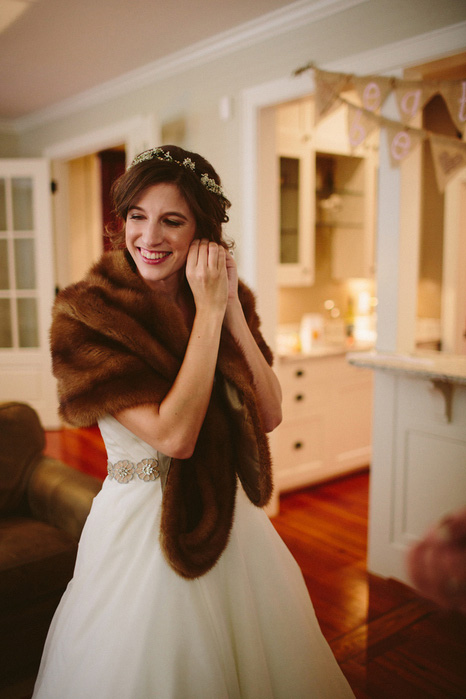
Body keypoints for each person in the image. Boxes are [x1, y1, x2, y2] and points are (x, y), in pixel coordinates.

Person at [33, 146, 354, 698]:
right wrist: (209, 315)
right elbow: (175, 438)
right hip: (139, 529)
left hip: (229, 521)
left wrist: (228, 306)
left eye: (171, 221)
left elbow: (271, 411)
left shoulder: (222, 298)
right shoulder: (88, 315)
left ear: (202, 234)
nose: (148, 237)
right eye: (137, 215)